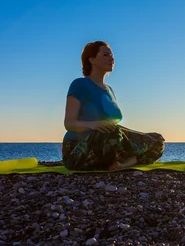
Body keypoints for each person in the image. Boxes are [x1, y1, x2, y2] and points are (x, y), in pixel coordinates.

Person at [62, 41, 165, 170]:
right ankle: (114, 158)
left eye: (112, 56)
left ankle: (122, 164)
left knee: (157, 140)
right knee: (113, 133)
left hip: (111, 142)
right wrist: (94, 124)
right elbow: (69, 123)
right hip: (77, 150)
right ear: (92, 60)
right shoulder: (80, 84)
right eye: (106, 55)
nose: (111, 59)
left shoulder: (109, 90)